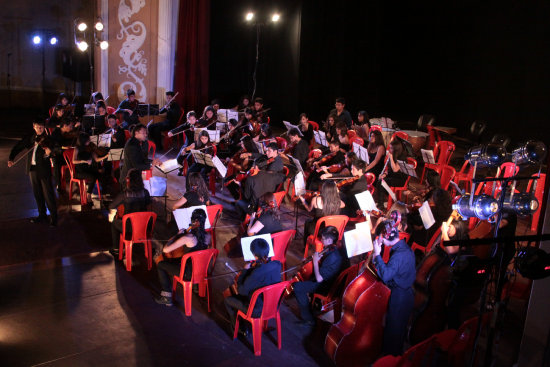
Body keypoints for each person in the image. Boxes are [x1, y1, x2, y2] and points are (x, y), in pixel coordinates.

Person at [372, 220, 416, 356]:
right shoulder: (403, 247)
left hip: (400, 296)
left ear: (386, 237)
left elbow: (386, 276)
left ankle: (389, 360)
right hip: (407, 293)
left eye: (381, 236)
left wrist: (377, 254)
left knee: (393, 331)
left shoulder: (398, 255)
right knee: (398, 330)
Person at [224, 238, 281, 336]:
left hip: (257, 310)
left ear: (254, 255)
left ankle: (240, 329)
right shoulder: (277, 265)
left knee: (228, 300)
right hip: (273, 305)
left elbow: (241, 290)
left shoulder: (255, 274)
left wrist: (245, 271)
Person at [155, 208, 211, 306]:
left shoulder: (188, 238)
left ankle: (166, 296)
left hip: (187, 273)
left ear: (193, 221)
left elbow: (166, 249)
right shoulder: (208, 236)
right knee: (179, 260)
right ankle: (196, 287)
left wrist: (177, 235)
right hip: (201, 270)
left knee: (160, 264)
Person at [294, 226, 347, 326]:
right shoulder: (336, 248)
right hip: (332, 279)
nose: (321, 241)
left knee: (297, 287)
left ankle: (309, 318)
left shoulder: (333, 257)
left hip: (328, 286)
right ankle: (312, 306)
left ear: (330, 240)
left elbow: (319, 279)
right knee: (309, 277)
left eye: (323, 239)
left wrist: (314, 262)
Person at [8, 120, 58, 226]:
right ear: (33, 127)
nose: (40, 129)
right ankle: (42, 215)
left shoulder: (48, 139)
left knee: (48, 194)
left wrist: (49, 153)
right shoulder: (30, 138)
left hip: (44, 169)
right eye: (37, 127)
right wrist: (11, 158)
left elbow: (55, 151)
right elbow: (19, 146)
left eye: (41, 127)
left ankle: (54, 217)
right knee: (37, 193)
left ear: (44, 127)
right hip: (32, 169)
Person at [108, 168, 152, 257]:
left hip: (129, 228)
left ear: (129, 180)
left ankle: (117, 249)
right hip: (144, 227)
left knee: (113, 223)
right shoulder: (145, 192)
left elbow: (111, 206)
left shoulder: (124, 194)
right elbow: (148, 204)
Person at [300, 180, 345, 247]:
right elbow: (343, 205)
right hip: (331, 230)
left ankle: (306, 247)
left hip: (318, 230)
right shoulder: (339, 202)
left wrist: (303, 201)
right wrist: (337, 194)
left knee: (307, 222)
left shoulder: (315, 199)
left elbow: (309, 209)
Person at [72, 132, 108, 203]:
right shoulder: (77, 149)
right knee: (92, 177)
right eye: (88, 140)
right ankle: (88, 195)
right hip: (80, 171)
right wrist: (83, 161)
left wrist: (105, 156)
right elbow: (73, 161)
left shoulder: (90, 147)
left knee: (101, 174)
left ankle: (103, 193)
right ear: (83, 141)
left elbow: (96, 159)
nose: (89, 141)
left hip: (88, 169)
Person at [375, 138, 410, 208]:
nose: (389, 150)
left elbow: (395, 169)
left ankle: (381, 204)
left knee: (382, 183)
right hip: (393, 176)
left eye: (391, 148)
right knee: (379, 181)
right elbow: (389, 169)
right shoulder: (394, 155)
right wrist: (384, 174)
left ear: (396, 150)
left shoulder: (402, 158)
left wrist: (390, 158)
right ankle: (382, 202)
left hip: (400, 179)